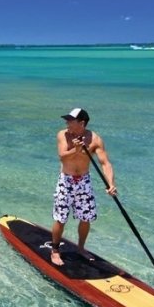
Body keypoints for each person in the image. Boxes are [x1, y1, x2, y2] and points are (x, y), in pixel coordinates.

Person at [50, 107, 117, 266]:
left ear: (82, 123)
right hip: (65, 180)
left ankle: (80, 248)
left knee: (86, 218)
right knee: (61, 218)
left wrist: (111, 183)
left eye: (70, 121)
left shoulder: (95, 140)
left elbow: (105, 163)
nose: (67, 123)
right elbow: (62, 156)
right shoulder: (63, 135)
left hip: (83, 182)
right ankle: (55, 250)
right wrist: (77, 149)